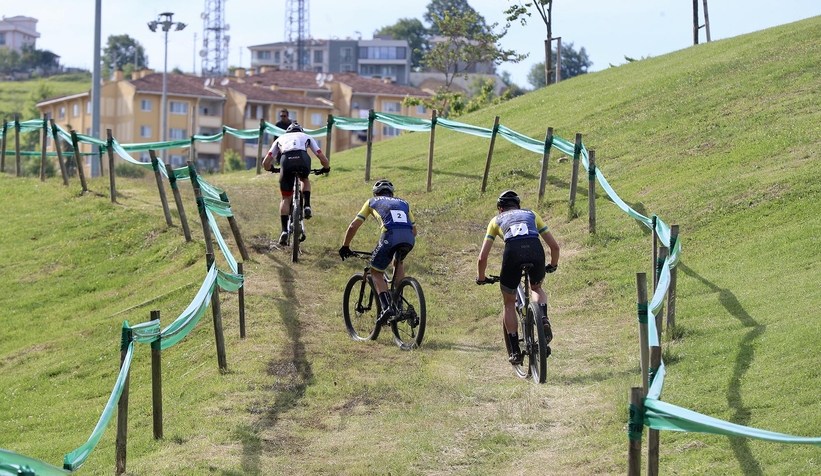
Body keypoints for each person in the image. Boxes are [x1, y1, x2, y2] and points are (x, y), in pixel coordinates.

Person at [476, 190, 560, 365]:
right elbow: (555, 247)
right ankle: (543, 317)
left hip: (513, 253)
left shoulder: (495, 221)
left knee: (509, 302)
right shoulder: (531, 214)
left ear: (500, 209)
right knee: (536, 288)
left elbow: (482, 258)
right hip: (535, 249)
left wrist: (481, 277)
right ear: (519, 206)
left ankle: (515, 350)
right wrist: (553, 264)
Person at [338, 180, 418, 325]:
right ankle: (398, 301)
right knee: (398, 262)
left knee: (375, 272)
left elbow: (352, 226)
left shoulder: (371, 201)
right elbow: (415, 231)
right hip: (409, 238)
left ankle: (387, 307)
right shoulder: (404, 203)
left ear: (375, 194)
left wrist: (345, 246)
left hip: (389, 236)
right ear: (392, 194)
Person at [262, 121, 330, 245]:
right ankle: (307, 206)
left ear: (288, 131)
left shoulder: (281, 138)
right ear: (300, 130)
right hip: (302, 158)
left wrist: (270, 168)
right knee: (304, 179)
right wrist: (326, 168)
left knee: (285, 198)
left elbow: (266, 162)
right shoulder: (306, 136)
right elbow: (322, 157)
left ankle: (284, 230)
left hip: (286, 161)